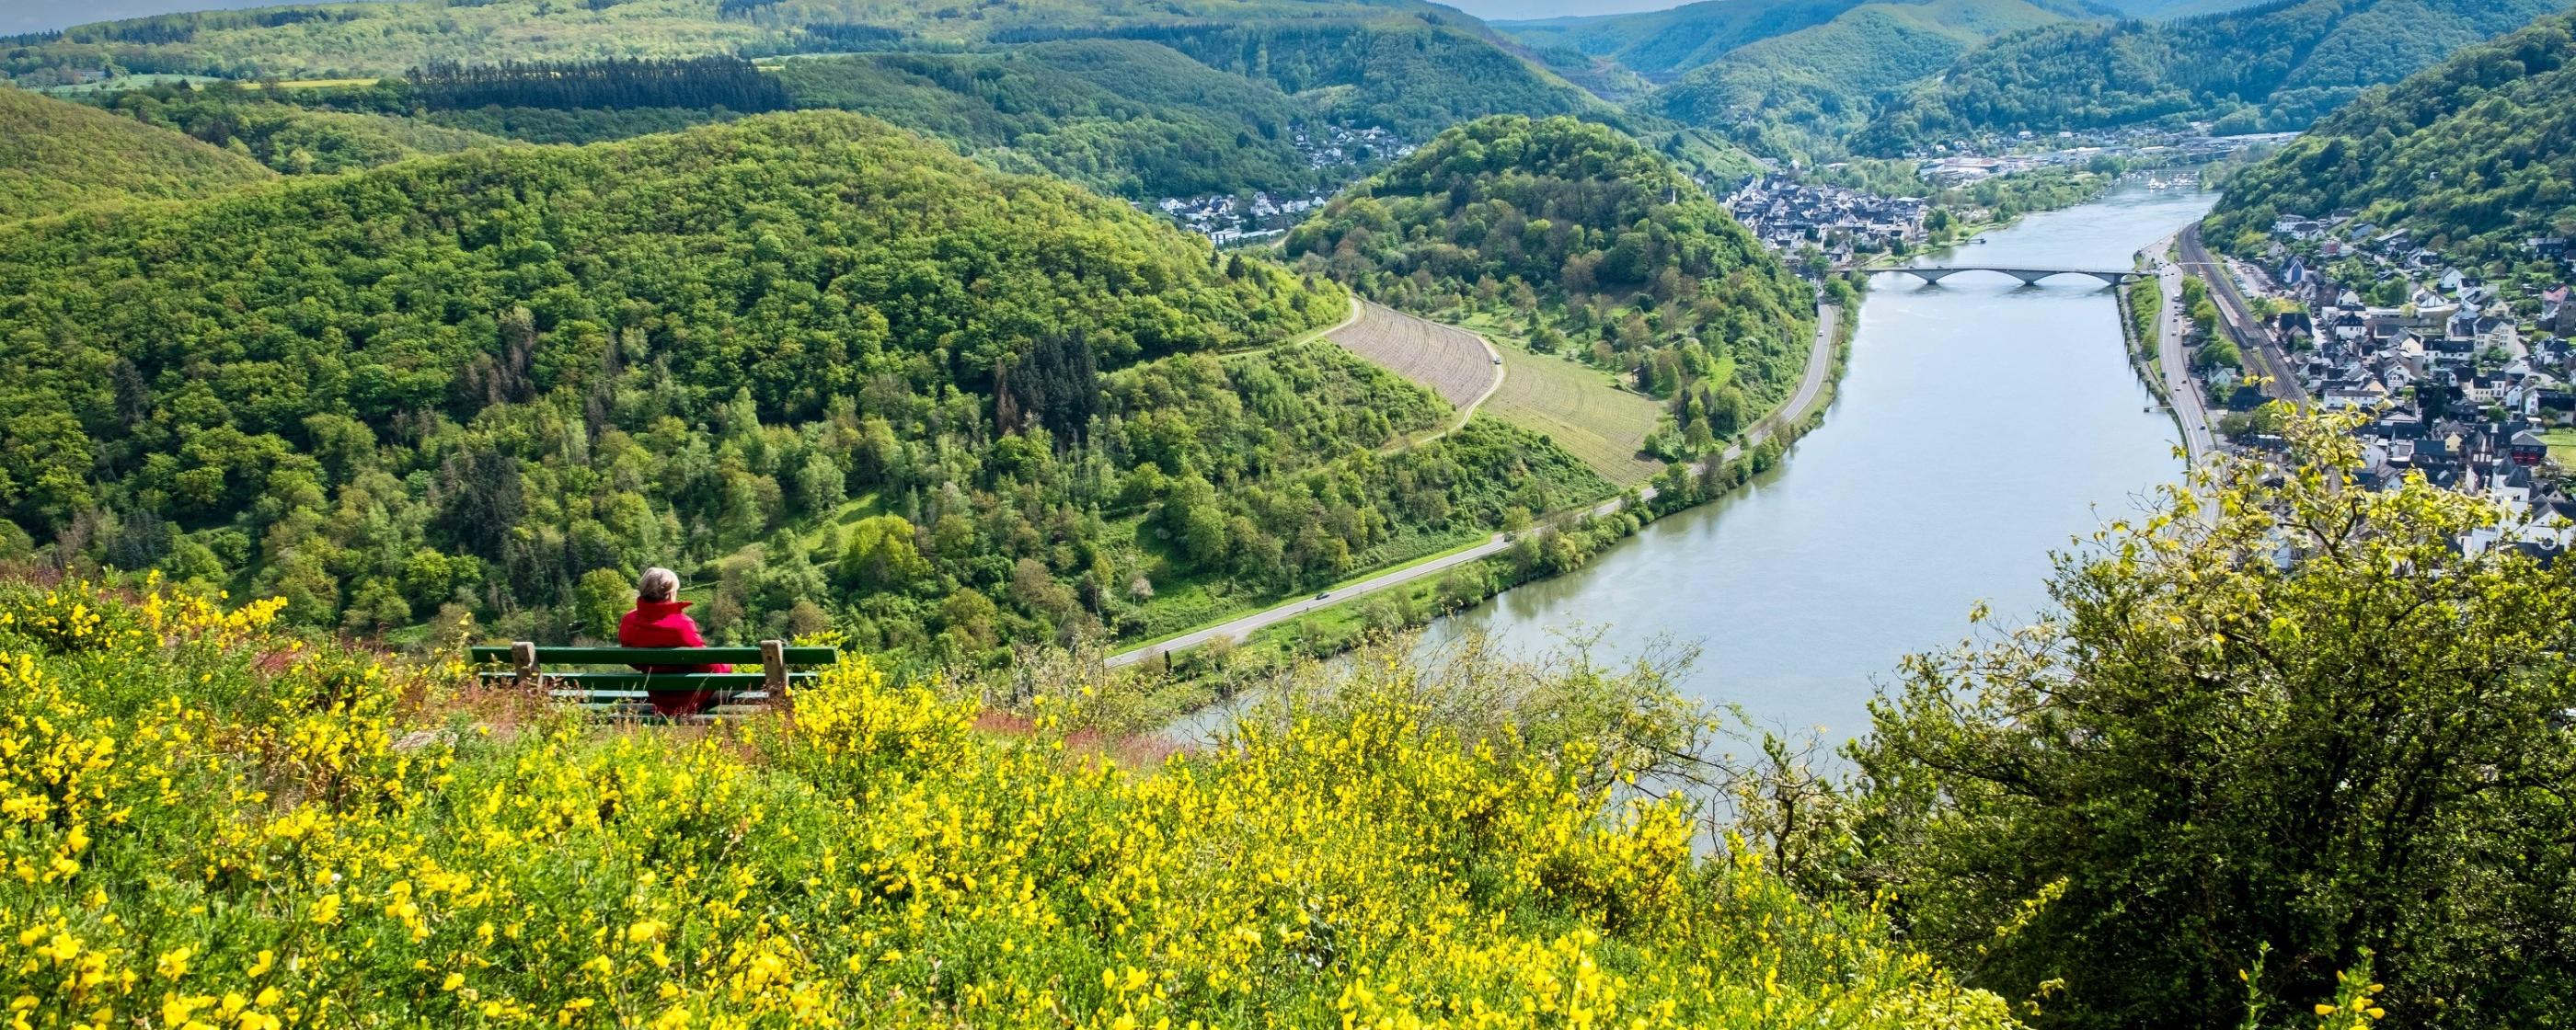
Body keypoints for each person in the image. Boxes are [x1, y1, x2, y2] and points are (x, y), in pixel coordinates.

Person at [617, 567, 732, 717]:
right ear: (671, 593)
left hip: (658, 696)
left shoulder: (629, 621)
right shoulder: (682, 625)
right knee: (742, 687)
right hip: (690, 698)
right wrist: (727, 665)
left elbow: (632, 660)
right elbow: (711, 668)